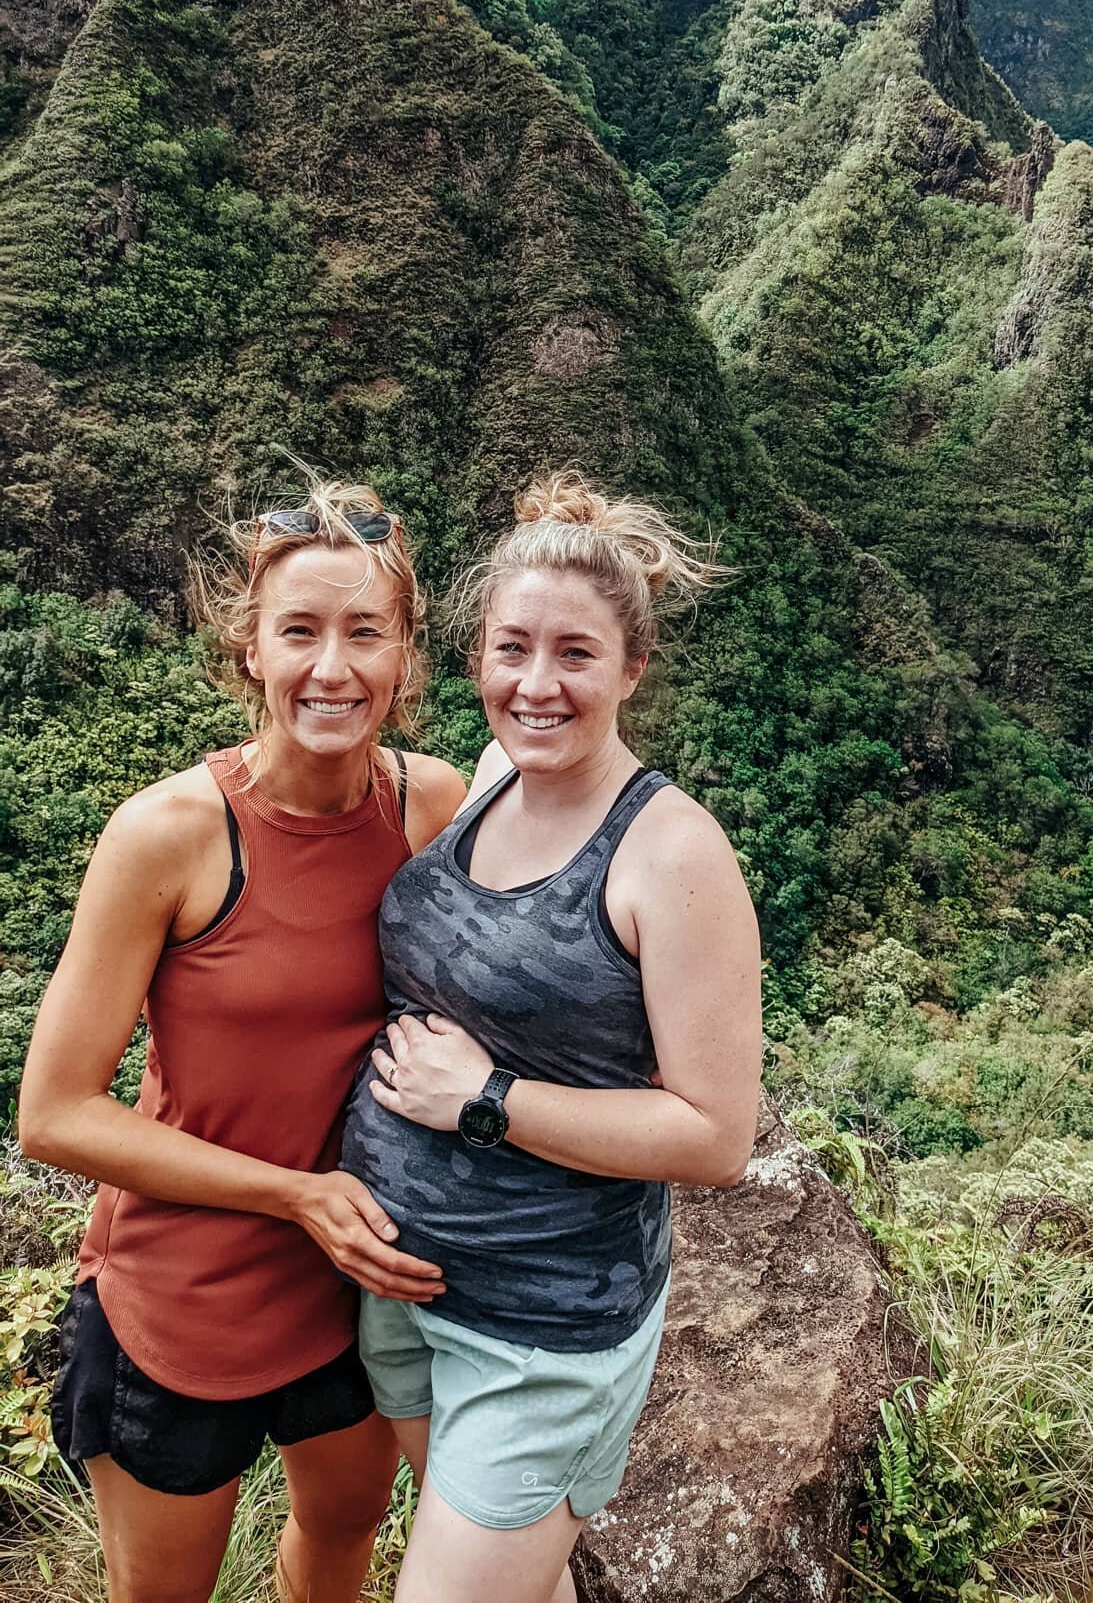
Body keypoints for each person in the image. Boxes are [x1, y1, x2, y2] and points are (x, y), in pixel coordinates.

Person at [17, 481, 468, 1603]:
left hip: (358, 1288)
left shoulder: (430, 809)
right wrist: (295, 1196)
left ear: (405, 655)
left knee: (342, 1540)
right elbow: (56, 1112)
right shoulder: (170, 836)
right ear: (249, 650)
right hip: (184, 1295)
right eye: (300, 633)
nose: (333, 668)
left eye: (365, 633)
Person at [341, 472, 763, 1603]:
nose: (536, 685)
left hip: (543, 1329)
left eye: (574, 654)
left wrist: (486, 1099)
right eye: (510, 648)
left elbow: (717, 1136)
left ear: (632, 668)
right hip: (402, 1286)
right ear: (476, 657)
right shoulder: (486, 783)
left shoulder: (670, 855)